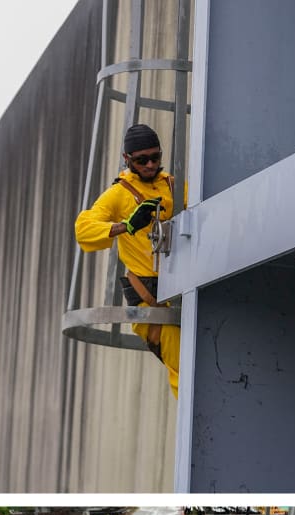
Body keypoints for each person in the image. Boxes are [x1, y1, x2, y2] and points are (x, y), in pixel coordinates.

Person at [74, 122, 186, 397]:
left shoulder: (173, 186)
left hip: (183, 286)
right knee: (184, 368)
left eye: (155, 157)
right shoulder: (120, 194)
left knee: (193, 365)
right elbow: (83, 229)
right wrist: (126, 225)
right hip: (151, 298)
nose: (149, 165)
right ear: (128, 160)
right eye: (141, 160)